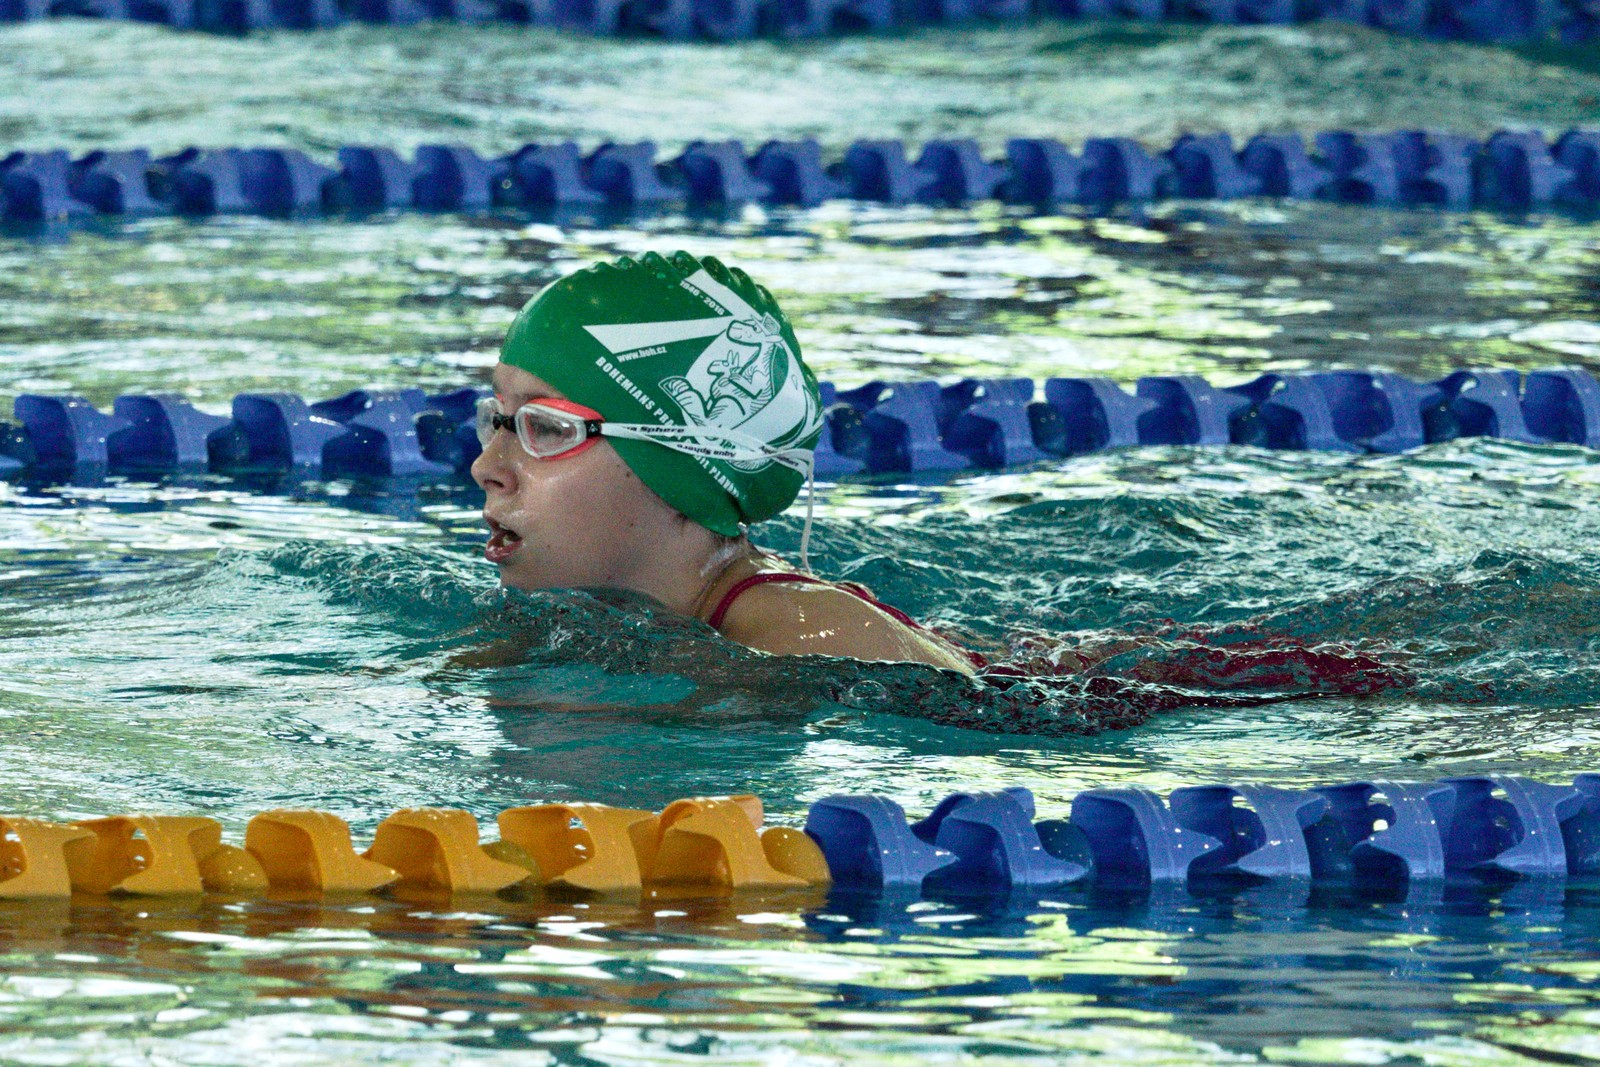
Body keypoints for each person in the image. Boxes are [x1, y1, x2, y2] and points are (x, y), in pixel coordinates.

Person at [471, 250, 979, 676]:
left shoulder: (806, 639)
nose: (485, 467)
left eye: (548, 428)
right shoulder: (593, 616)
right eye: (498, 419)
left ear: (680, 470)